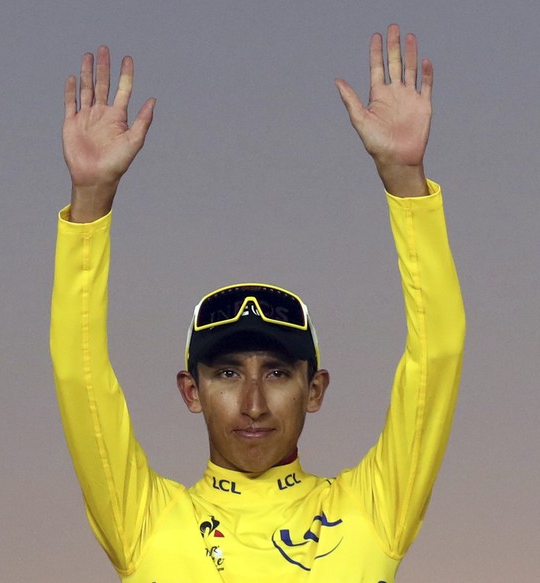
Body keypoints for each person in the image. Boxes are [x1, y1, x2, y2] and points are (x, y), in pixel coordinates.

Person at [51, 24, 465, 582]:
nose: (252, 404)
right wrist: (91, 200)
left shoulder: (371, 511)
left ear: (314, 389)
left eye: (276, 372)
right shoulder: (144, 522)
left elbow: (437, 353)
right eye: (226, 373)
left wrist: (406, 181)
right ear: (190, 391)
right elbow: (81, 375)